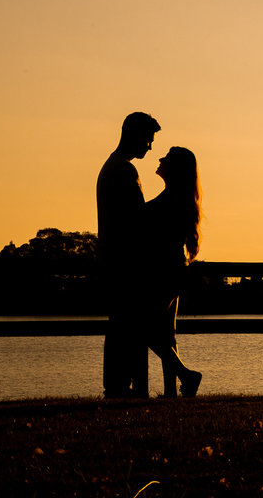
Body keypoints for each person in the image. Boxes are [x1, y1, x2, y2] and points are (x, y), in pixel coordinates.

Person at [96, 112, 160, 399]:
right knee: (127, 326)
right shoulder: (123, 171)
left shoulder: (112, 167)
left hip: (115, 260)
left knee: (121, 324)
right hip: (125, 262)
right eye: (148, 139)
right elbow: (138, 218)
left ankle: (118, 385)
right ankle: (120, 387)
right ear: (134, 135)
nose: (149, 147)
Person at [144, 146, 204, 397]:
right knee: (167, 334)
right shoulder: (175, 196)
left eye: (166, 158)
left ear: (175, 168)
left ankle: (187, 375)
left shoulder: (174, 200)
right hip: (174, 273)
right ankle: (170, 392)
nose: (159, 159)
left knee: (144, 328)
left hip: (165, 274)